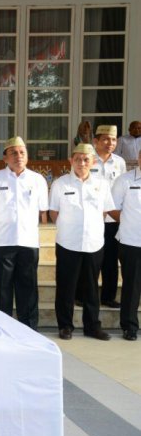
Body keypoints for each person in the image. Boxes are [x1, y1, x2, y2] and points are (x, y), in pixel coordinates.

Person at [0, 136, 48, 330]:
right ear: (5, 158)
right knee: (1, 289)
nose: (18, 156)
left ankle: (28, 328)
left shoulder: (38, 180)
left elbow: (43, 210)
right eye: (13, 153)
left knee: (28, 288)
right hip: (2, 242)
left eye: (22, 152)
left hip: (28, 242)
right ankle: (0, 327)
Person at [50, 143, 114, 341]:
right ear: (71, 161)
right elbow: (54, 213)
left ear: (93, 162)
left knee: (92, 287)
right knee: (66, 287)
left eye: (86, 159)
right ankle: (65, 326)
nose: (82, 162)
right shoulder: (61, 184)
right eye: (77, 159)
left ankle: (92, 326)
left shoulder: (102, 184)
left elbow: (104, 212)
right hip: (68, 242)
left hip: (94, 243)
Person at [90, 125, 126, 308]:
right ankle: (84, 295)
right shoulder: (88, 159)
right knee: (89, 260)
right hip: (91, 218)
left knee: (111, 259)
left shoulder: (119, 162)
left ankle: (108, 296)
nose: (109, 143)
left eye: (113, 140)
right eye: (105, 139)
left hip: (112, 220)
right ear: (95, 141)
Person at [110, 147, 141, 341]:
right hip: (131, 241)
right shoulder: (125, 180)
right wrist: (130, 222)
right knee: (131, 286)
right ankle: (129, 326)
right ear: (139, 157)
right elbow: (113, 209)